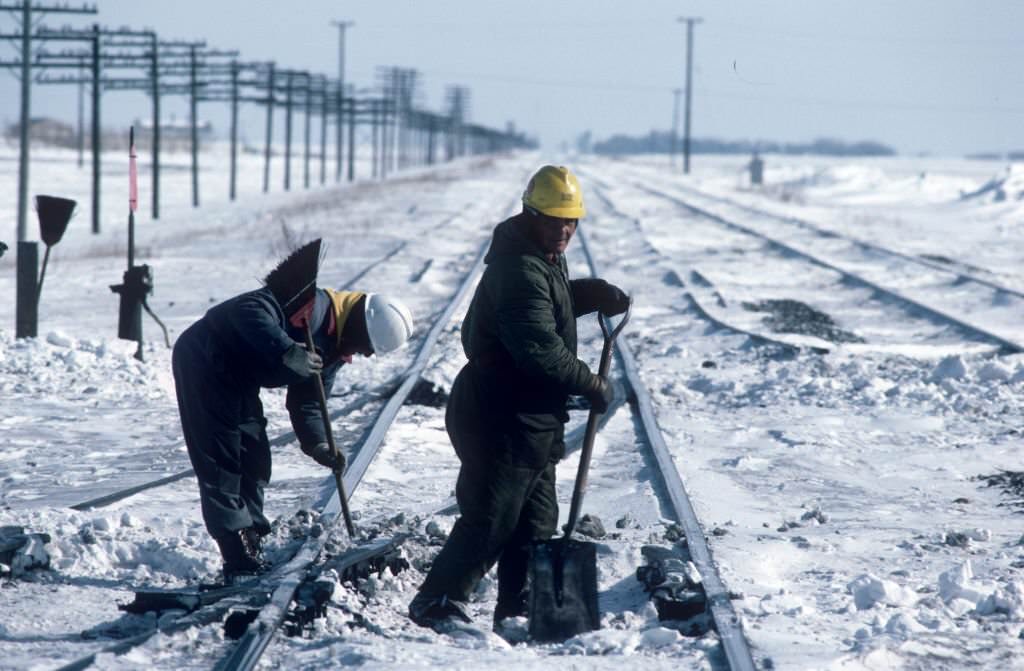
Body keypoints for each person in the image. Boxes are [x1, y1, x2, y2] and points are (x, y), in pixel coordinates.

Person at [408, 165, 629, 631]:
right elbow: (539, 349)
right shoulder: (520, 266)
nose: (565, 229)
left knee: (536, 521)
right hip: (500, 414)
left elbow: (542, 302)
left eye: (571, 220)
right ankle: (435, 601)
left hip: (531, 417)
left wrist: (585, 295)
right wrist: (591, 383)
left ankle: (517, 606)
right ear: (531, 214)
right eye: (554, 219)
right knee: (491, 517)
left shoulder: (541, 255)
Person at [172, 239, 414, 579]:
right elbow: (247, 311)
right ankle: (237, 552)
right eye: (364, 347)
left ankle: (251, 534)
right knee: (223, 460)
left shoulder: (336, 343)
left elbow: (309, 400)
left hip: (238, 376)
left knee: (254, 459)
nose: (363, 354)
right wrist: (287, 350)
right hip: (205, 359)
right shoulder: (311, 308)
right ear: (359, 323)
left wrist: (319, 445)